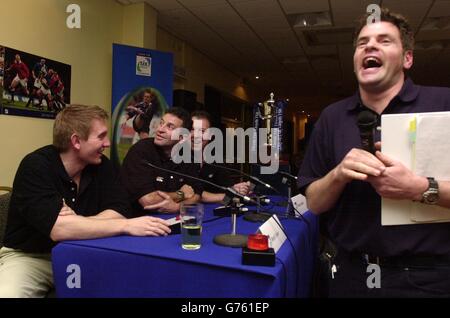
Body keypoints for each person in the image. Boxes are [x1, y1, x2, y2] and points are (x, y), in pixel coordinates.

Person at [298, 8, 450, 298]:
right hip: (350, 276)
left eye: (384, 40)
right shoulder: (332, 117)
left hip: (429, 279)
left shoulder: (444, 103)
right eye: (362, 42)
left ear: (407, 58)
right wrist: (338, 174)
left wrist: (418, 187)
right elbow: (313, 204)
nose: (370, 46)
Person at [0, 105, 171, 298]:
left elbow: (120, 208)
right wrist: (125, 226)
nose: (107, 143)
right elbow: (59, 231)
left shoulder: (102, 166)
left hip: (86, 251)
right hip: (30, 257)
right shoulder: (35, 166)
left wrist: (76, 224)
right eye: (101, 136)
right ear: (76, 141)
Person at [120, 107, 202, 216]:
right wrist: (181, 194)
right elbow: (148, 201)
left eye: (170, 127)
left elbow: (196, 194)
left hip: (168, 219)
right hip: (132, 220)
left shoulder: (188, 157)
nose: (160, 129)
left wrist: (178, 207)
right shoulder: (141, 150)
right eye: (161, 123)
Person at [190, 110, 252, 203]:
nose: (196, 135)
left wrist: (237, 189)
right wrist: (231, 194)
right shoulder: (176, 157)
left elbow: (226, 188)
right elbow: (192, 194)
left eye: (202, 131)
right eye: (191, 129)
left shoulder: (215, 159)